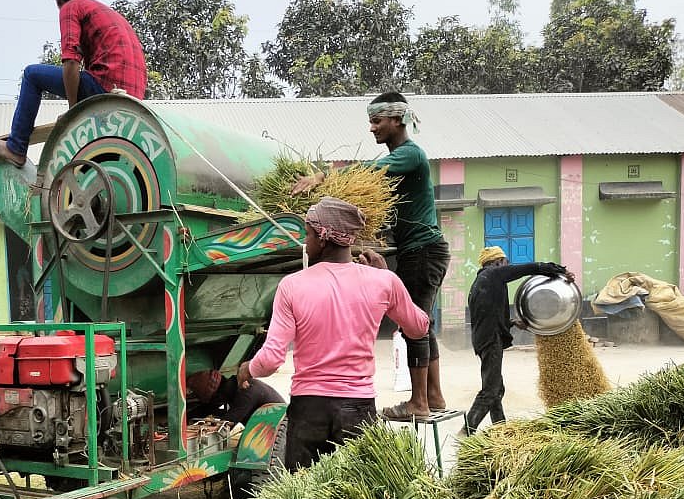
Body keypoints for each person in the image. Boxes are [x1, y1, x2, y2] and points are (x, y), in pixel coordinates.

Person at [236, 197, 429, 470]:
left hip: (308, 411)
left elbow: (270, 361)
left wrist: (247, 368)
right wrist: (388, 279)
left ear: (323, 238)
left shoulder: (292, 286)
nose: (306, 241)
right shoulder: (383, 281)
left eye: (308, 234)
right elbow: (419, 328)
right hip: (358, 409)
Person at [293, 91, 449, 422]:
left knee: (415, 325)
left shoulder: (409, 155)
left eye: (377, 122)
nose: (372, 128)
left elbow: (369, 172)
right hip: (418, 250)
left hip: (423, 251)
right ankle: (433, 397)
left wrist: (324, 177)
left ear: (396, 120)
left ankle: (419, 403)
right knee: (421, 322)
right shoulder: (404, 158)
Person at [0, 0, 147, 168]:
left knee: (31, 75)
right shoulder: (107, 12)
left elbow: (71, 61)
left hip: (105, 87)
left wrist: (73, 110)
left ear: (58, 0)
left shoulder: (71, 7)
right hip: (133, 97)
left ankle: (16, 148)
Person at [465, 246, 572, 433]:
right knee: (490, 391)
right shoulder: (492, 275)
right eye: (505, 262)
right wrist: (559, 271)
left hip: (483, 339)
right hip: (490, 339)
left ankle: (501, 429)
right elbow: (528, 268)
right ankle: (467, 429)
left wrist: (512, 322)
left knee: (496, 388)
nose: (508, 266)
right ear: (497, 262)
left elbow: (488, 313)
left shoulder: (481, 282)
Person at [185, 368, 283, 426]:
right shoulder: (232, 390)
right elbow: (208, 409)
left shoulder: (247, 392)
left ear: (218, 396)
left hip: (281, 437)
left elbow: (226, 424)